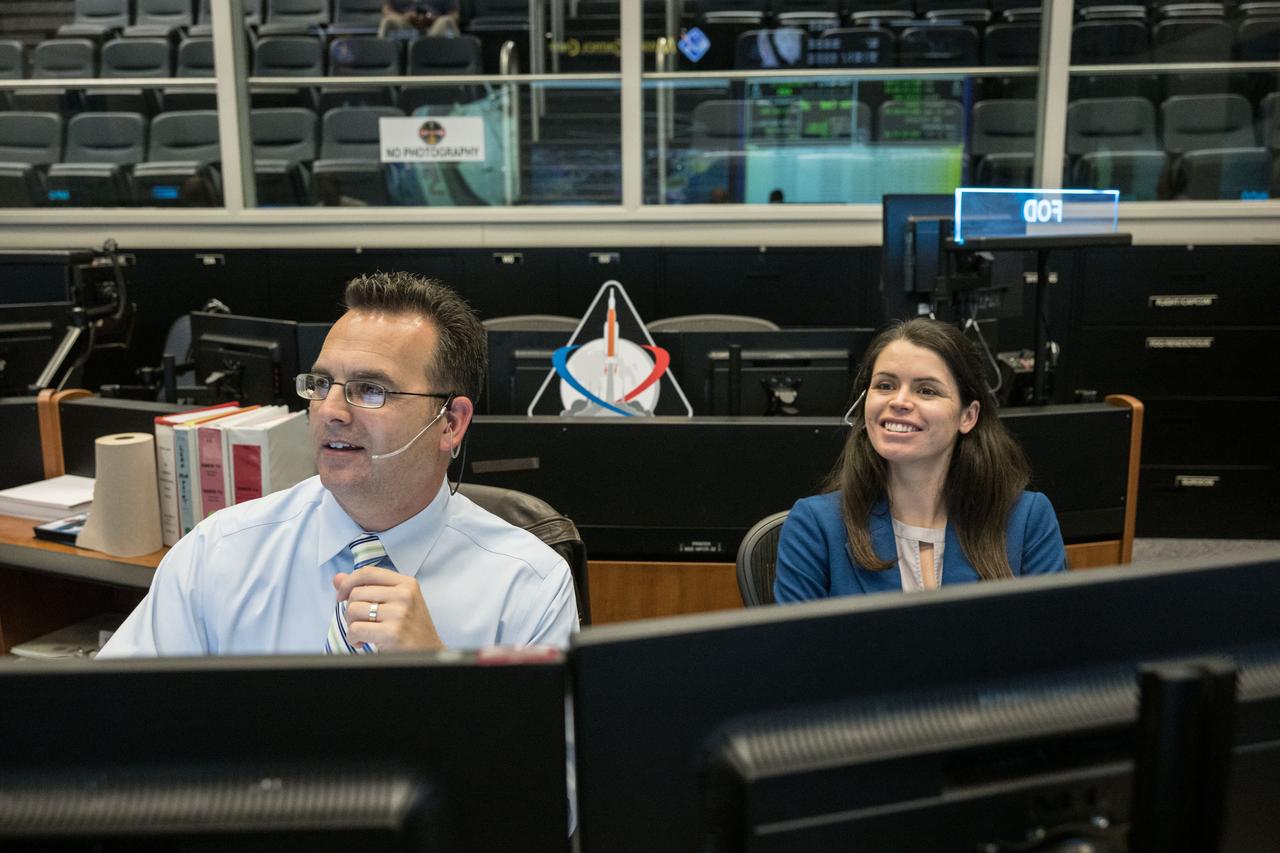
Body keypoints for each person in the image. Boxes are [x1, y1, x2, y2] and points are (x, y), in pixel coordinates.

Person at [100, 272, 579, 656]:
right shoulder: (220, 554)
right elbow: (115, 722)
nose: (331, 410)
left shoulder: (526, 584)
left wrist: (438, 677)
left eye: (371, 390)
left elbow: (552, 774)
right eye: (322, 384)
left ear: (450, 423)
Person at [774, 318, 1067, 601]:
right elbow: (801, 650)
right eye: (885, 385)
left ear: (968, 416)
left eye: (926, 390)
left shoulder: (1027, 519)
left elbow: (1052, 644)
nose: (899, 401)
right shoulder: (816, 525)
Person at [378, 0, 461, 38]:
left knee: (447, 21)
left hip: (435, 27)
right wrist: (404, 17)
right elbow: (386, 10)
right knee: (388, 22)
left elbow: (454, 14)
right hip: (405, 25)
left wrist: (435, 18)